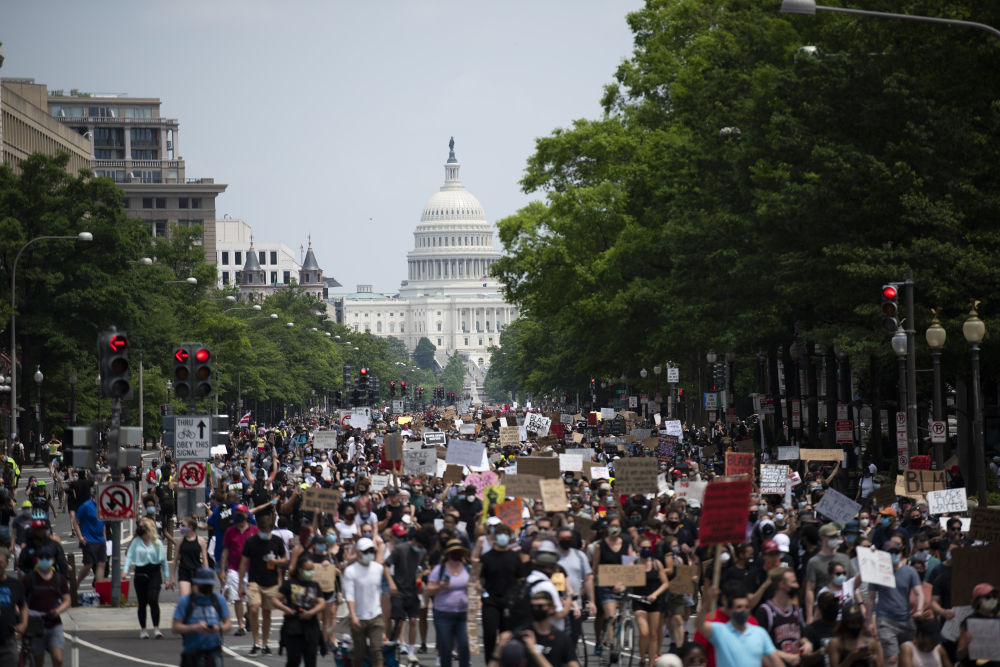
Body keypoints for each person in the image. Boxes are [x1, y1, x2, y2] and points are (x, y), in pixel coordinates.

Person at [865, 538, 923, 667]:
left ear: (901, 553)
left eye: (895, 552)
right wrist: (869, 621)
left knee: (907, 657)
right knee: (891, 658)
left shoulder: (910, 571)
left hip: (906, 620)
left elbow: (919, 592)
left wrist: (919, 610)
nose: (893, 555)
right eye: (889, 553)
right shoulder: (877, 572)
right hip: (885, 621)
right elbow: (870, 597)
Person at [695, 583, 782, 667]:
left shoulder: (758, 631)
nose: (743, 611)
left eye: (747, 607)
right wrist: (708, 601)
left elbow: (769, 657)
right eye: (739, 607)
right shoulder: (719, 629)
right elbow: (699, 626)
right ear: (725, 602)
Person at [489, 589, 580, 667]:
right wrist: (498, 649)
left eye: (541, 606)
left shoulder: (561, 638)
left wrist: (534, 651)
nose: (536, 609)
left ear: (552, 608)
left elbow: (573, 664)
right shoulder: (521, 634)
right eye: (533, 606)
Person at [238, 511, 287, 655]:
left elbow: (284, 559)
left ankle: (265, 644)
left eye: (267, 530)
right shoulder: (251, 542)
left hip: (271, 582)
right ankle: (256, 642)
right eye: (262, 530)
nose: (265, 533)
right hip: (254, 581)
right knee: (254, 608)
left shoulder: (277, 541)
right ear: (258, 529)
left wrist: (276, 562)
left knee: (267, 613)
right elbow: (244, 562)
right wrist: (241, 583)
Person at [343, 536, 396, 667]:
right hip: (358, 618)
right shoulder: (350, 571)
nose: (369, 554)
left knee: (376, 650)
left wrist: (391, 584)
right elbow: (349, 595)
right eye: (366, 552)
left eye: (371, 551)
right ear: (359, 553)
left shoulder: (378, 568)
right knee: (359, 653)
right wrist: (353, 615)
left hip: (376, 616)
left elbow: (386, 573)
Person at [172, 567, 232, 667]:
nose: (206, 587)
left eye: (208, 584)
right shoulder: (186, 601)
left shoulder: (218, 600)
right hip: (192, 653)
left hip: (213, 653)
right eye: (204, 584)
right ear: (197, 583)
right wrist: (194, 627)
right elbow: (175, 628)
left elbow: (228, 624)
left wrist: (218, 628)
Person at [123, 516, 172, 638]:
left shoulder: (157, 543)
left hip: (154, 572)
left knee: (153, 598)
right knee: (142, 602)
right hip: (140, 572)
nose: (140, 529)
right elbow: (129, 556)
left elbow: (164, 562)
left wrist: (166, 578)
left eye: (143, 526)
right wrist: (125, 571)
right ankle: (143, 629)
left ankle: (156, 628)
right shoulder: (136, 542)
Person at [23, 545, 71, 667]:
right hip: (35, 625)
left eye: (48, 557)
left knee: (58, 659)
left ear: (53, 560)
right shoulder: (29, 579)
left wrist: (57, 610)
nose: (44, 560)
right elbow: (20, 602)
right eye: (41, 557)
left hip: (54, 624)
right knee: (38, 662)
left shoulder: (59, 579)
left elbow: (67, 600)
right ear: (37, 560)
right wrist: (25, 615)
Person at [274, 554, 325, 667]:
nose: (310, 572)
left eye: (312, 570)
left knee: (311, 660)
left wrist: (311, 612)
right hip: (293, 627)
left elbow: (322, 603)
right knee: (293, 660)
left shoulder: (314, 585)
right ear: (300, 570)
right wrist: (286, 609)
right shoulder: (290, 584)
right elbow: (275, 599)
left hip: (311, 627)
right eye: (308, 570)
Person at [426, 538, 471, 667]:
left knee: (464, 645)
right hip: (443, 614)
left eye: (459, 552)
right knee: (445, 648)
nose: (457, 555)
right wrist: (440, 587)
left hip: (462, 614)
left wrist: (476, 588)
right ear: (449, 554)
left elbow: (475, 587)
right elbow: (429, 589)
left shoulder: (468, 569)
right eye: (454, 552)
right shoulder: (439, 570)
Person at [219, 503, 256, 637]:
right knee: (237, 597)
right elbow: (226, 551)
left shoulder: (254, 530)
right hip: (234, 568)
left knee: (252, 600)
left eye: (242, 513)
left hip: (251, 569)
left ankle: (248, 616)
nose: (240, 516)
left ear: (247, 515)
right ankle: (241, 625)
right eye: (237, 513)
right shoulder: (230, 531)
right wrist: (222, 570)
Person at [633, 535, 669, 667]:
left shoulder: (656, 563)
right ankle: (642, 658)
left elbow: (665, 583)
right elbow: (624, 580)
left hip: (654, 601)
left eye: (649, 548)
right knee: (644, 632)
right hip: (639, 600)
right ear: (638, 548)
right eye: (644, 548)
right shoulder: (633, 563)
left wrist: (655, 594)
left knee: (654, 634)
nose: (646, 550)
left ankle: (651, 663)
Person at [828, 603, 883, 667]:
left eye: (858, 622)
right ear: (845, 624)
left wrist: (874, 660)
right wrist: (851, 658)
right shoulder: (836, 643)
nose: (856, 626)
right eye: (852, 623)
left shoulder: (871, 642)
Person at [74, 486, 107, 584]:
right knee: (88, 564)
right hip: (89, 540)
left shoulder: (103, 506)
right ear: (94, 494)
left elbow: (103, 524)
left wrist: (104, 538)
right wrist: (80, 536)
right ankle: (76, 583)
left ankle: (99, 588)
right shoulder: (86, 506)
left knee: (101, 564)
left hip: (100, 540)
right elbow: (75, 521)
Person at [0, 548, 27, 666]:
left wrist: (23, 624)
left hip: (8, 638)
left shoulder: (15, 585)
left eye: (0, 562)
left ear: (7, 563)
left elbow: (23, 606)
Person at [173, 515, 209, 597]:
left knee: (197, 599)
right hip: (184, 572)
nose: (181, 528)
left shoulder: (200, 541)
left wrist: (206, 574)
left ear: (191, 527)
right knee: (184, 598)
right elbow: (175, 560)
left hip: (196, 571)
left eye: (183, 526)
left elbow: (205, 559)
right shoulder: (180, 541)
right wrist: (172, 577)